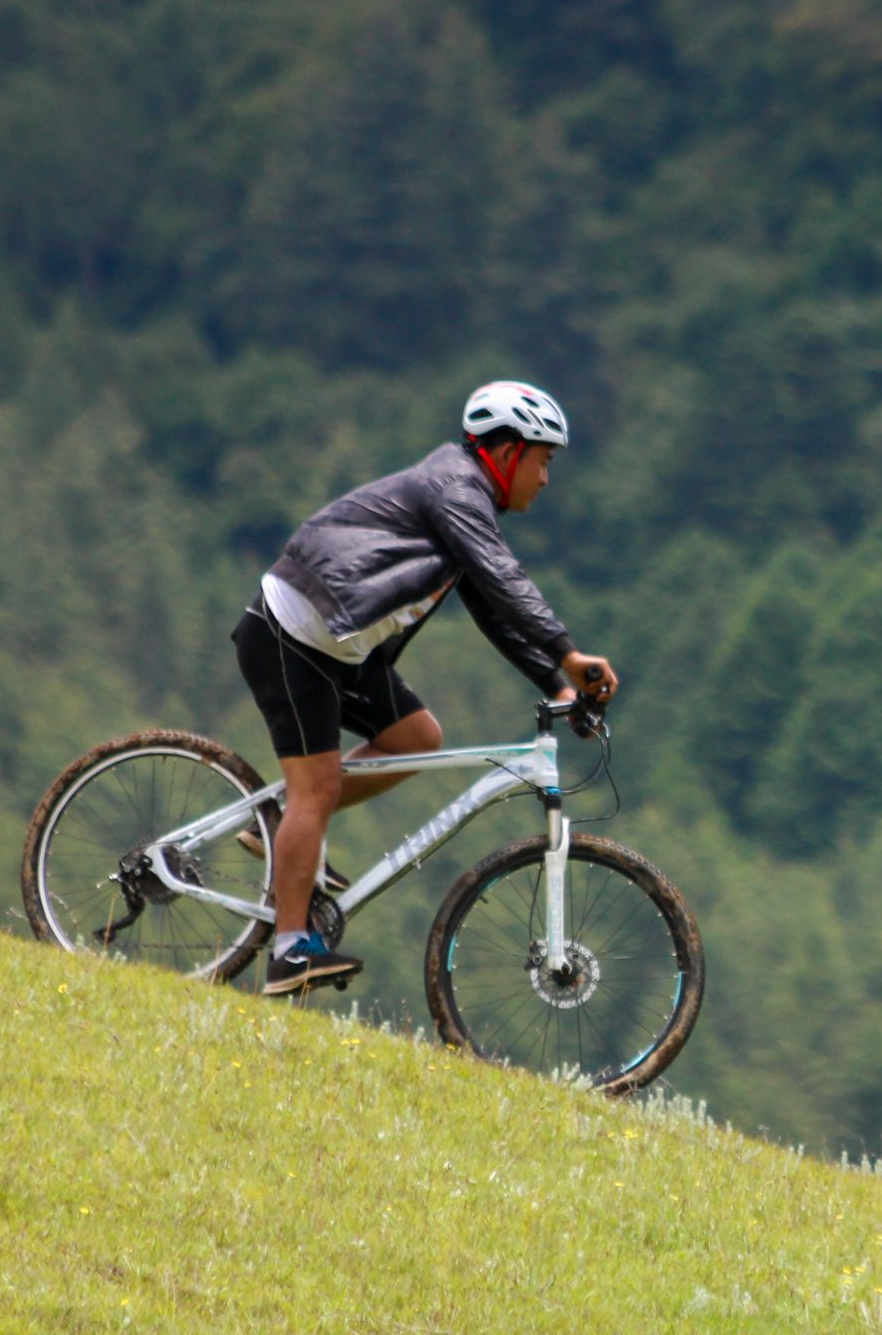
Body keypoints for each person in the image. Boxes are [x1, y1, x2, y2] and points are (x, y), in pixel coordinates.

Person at [232, 380, 617, 997]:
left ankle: (283, 824)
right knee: (317, 788)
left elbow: (493, 606)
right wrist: (568, 653)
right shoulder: (454, 488)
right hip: (294, 634)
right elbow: (504, 578)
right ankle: (289, 951)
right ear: (509, 452)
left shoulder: (465, 501)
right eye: (543, 461)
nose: (546, 479)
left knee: (416, 738)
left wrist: (555, 680)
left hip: (337, 641)